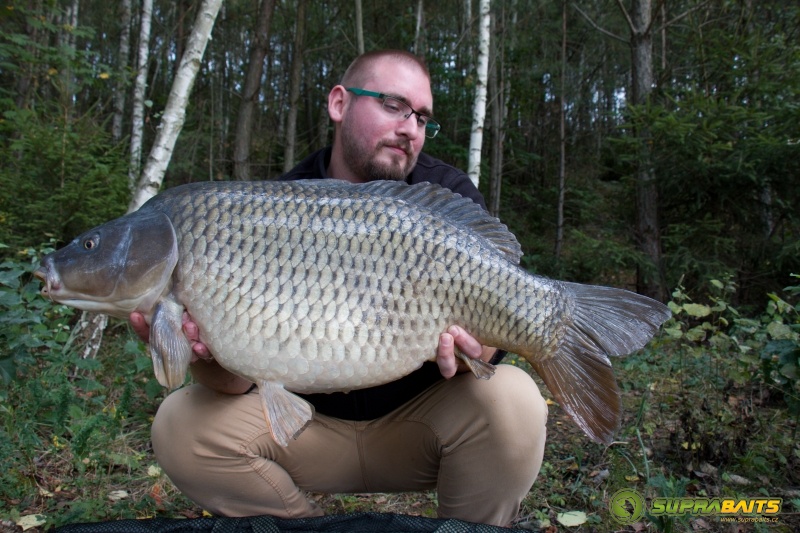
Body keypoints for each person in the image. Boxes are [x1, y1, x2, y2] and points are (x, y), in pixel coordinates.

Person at [130, 50, 548, 527]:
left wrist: (479, 345)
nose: (410, 129)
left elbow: (495, 331)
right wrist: (201, 353)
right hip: (309, 432)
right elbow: (237, 383)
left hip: (423, 430)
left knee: (513, 400)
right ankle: (297, 525)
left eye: (421, 117)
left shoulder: (444, 197)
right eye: (393, 105)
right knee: (180, 424)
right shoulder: (269, 209)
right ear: (338, 104)